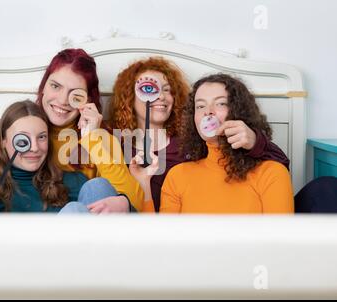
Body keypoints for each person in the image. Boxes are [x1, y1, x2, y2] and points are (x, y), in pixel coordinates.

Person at [0, 49, 144, 214]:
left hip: (83, 233)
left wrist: (93, 139)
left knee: (94, 190)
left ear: (87, 101)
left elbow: (134, 202)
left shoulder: (101, 139)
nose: (62, 100)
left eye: (75, 94)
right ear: (43, 87)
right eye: (55, 86)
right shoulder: (17, 132)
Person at [110, 57, 290, 211]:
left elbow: (279, 164)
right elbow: (161, 237)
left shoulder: (188, 149)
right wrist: (142, 186)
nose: (208, 112)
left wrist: (254, 141)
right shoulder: (118, 147)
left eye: (220, 103)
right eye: (200, 106)